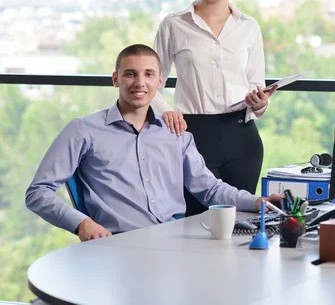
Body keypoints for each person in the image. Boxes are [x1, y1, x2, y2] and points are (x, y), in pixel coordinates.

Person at [25, 44, 282, 241]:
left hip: (176, 244)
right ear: (115, 79)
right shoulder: (83, 130)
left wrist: (259, 202)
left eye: (149, 74)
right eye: (130, 74)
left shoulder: (176, 134)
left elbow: (211, 190)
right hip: (119, 247)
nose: (140, 83)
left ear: (160, 82)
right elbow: (38, 193)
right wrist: (82, 224)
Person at [152, 0, 276, 215]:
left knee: (241, 223)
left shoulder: (249, 27)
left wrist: (260, 102)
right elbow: (151, 84)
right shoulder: (174, 25)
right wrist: (167, 112)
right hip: (193, 136)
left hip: (243, 138)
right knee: (195, 224)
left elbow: (257, 86)